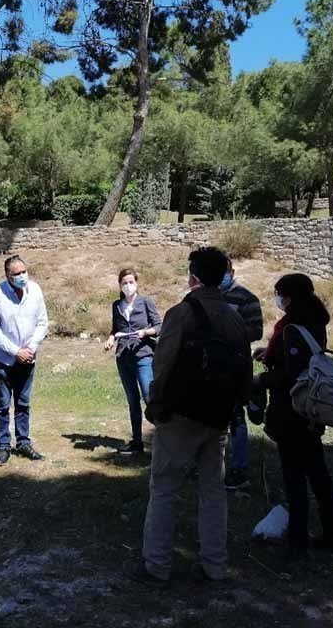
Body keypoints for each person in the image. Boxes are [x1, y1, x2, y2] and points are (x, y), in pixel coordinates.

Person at [126, 247, 252, 585]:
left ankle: (156, 565)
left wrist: (156, 403)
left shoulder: (181, 313)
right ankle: (215, 565)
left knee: (164, 488)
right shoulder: (234, 316)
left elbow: (162, 363)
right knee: (213, 491)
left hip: (181, 414)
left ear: (193, 276)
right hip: (218, 416)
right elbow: (245, 366)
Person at [258, 273, 333, 561]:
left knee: (294, 475)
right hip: (311, 409)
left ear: (289, 297)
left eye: (280, 294)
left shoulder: (293, 328)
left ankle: (297, 540)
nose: (278, 299)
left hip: (291, 410)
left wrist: (263, 380)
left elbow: (292, 373)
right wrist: (269, 354)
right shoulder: (315, 321)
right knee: (318, 471)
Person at [0, 255, 49, 467]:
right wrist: (15, 351)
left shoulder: (36, 290)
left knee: (23, 403)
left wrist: (30, 349)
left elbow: (42, 322)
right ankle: (4, 445)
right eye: (17, 273)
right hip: (4, 359)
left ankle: (23, 442)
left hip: (28, 357)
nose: (22, 276)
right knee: (3, 404)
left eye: (24, 271)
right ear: (7, 275)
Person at [104, 269, 161, 454]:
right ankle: (137, 442)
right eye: (124, 283)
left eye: (131, 282)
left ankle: (163, 437)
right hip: (123, 357)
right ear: (120, 285)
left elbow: (159, 326)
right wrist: (111, 339)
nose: (128, 286)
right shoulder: (116, 305)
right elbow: (115, 329)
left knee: (148, 396)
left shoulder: (146, 302)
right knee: (132, 400)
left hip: (143, 355)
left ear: (136, 283)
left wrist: (146, 332)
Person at [220, 259, 263, 491]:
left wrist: (230, 332)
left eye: (224, 272)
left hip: (236, 367)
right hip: (211, 369)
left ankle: (239, 467)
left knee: (236, 417)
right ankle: (210, 464)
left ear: (232, 272)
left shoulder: (247, 298)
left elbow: (257, 330)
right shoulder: (209, 298)